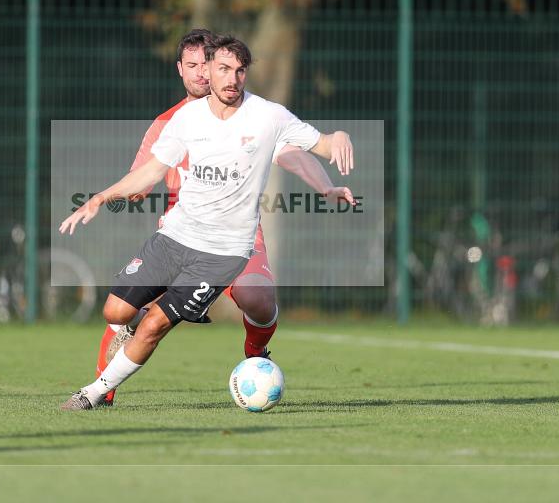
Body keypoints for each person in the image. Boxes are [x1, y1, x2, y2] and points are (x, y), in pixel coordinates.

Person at [59, 34, 353, 410]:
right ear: (183, 70)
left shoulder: (264, 116)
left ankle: (253, 354)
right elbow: (145, 175)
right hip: (178, 235)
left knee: (256, 300)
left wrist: (326, 181)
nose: (209, 74)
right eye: (196, 66)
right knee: (116, 313)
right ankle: (110, 384)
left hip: (229, 243)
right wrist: (105, 196)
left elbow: (300, 150)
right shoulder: (175, 121)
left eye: (231, 69)